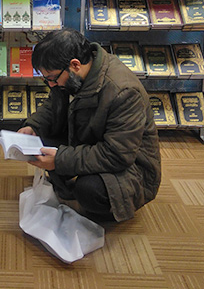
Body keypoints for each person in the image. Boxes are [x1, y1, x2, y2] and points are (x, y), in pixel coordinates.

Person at [18, 28, 161, 222]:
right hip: (93, 140)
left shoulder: (124, 92)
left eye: (51, 78)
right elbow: (53, 105)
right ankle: (68, 186)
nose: (50, 84)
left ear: (75, 65)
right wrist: (34, 126)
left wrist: (60, 160)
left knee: (90, 190)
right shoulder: (71, 75)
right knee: (39, 142)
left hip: (131, 166)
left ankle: (106, 210)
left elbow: (117, 155)